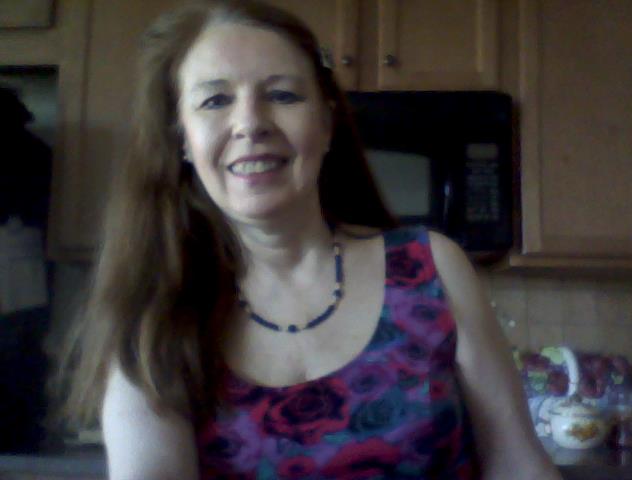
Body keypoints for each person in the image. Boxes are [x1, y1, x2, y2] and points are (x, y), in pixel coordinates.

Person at [55, 1, 563, 479]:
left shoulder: (432, 267)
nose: (250, 123)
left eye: (283, 95)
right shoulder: (153, 313)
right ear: (182, 139)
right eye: (215, 100)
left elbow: (518, 466)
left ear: (326, 123)